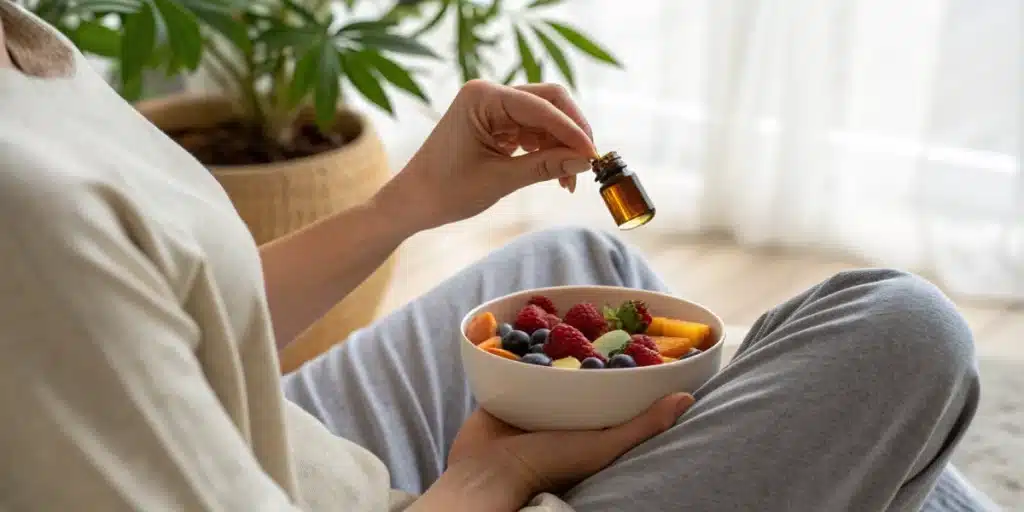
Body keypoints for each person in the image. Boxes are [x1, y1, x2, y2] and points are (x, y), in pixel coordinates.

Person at [0, 3, 995, 511]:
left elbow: (165, 322)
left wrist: (411, 203)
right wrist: (489, 479)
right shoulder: (24, 206)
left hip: (280, 448)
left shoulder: (22, 47)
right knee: (900, 332)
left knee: (573, 257)